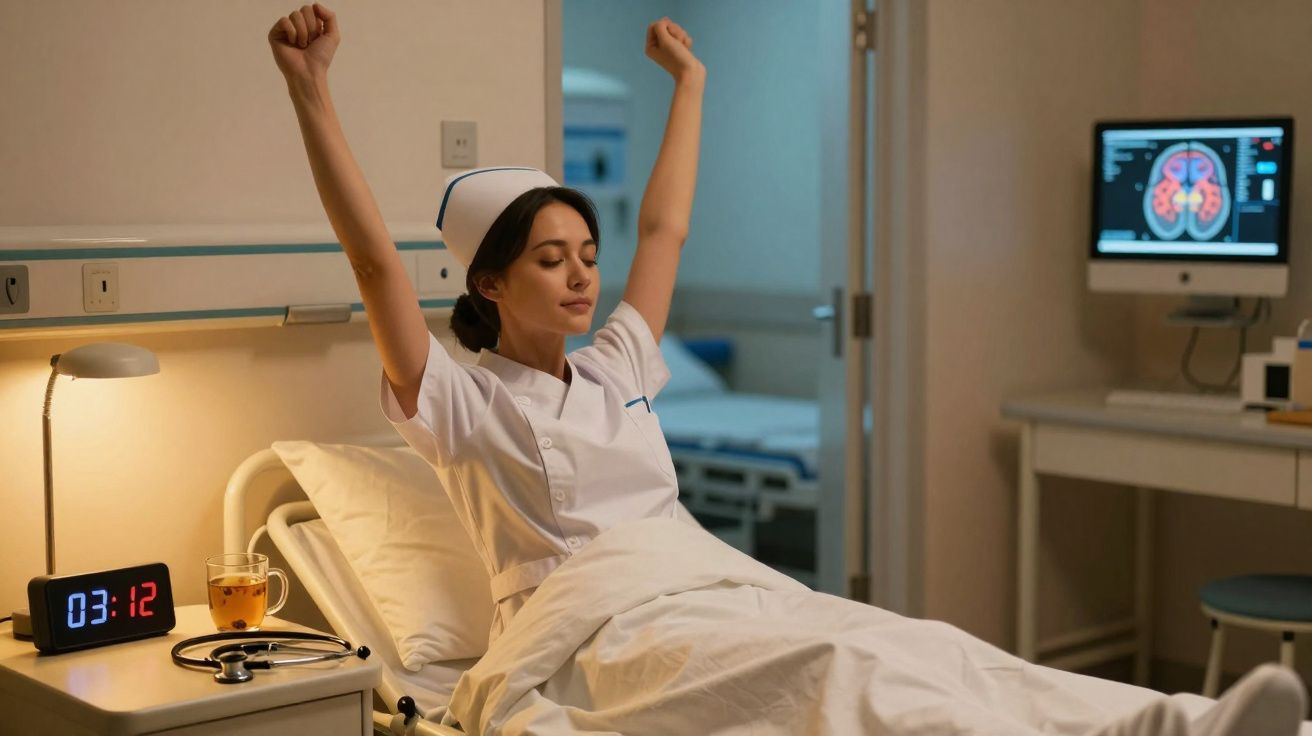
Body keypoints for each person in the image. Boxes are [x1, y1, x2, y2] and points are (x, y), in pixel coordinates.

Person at [269, 5, 1305, 734]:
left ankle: (1180, 721)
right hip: (600, 634)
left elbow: (667, 226)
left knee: (920, 643)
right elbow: (373, 265)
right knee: (843, 670)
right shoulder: (463, 400)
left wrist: (692, 84)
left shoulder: (617, 364)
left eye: (587, 256)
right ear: (490, 284)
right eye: (552, 260)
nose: (584, 278)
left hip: (706, 583)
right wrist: (312, 92)